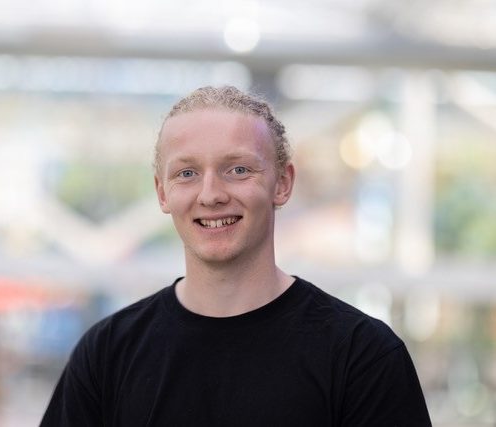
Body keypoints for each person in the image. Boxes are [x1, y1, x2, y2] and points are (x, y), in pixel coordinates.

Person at [40, 86, 431, 426]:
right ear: (162, 193)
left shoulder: (361, 356)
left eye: (238, 169)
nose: (211, 194)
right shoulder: (107, 354)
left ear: (282, 183)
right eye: (187, 173)